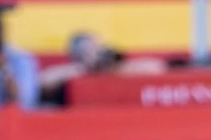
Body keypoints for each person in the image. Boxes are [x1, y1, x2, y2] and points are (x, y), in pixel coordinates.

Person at [38, 31, 167, 103]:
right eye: (89, 49)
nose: (96, 52)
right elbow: (42, 82)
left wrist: (116, 68)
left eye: (97, 47)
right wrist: (86, 69)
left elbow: (157, 67)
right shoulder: (72, 71)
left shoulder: (116, 67)